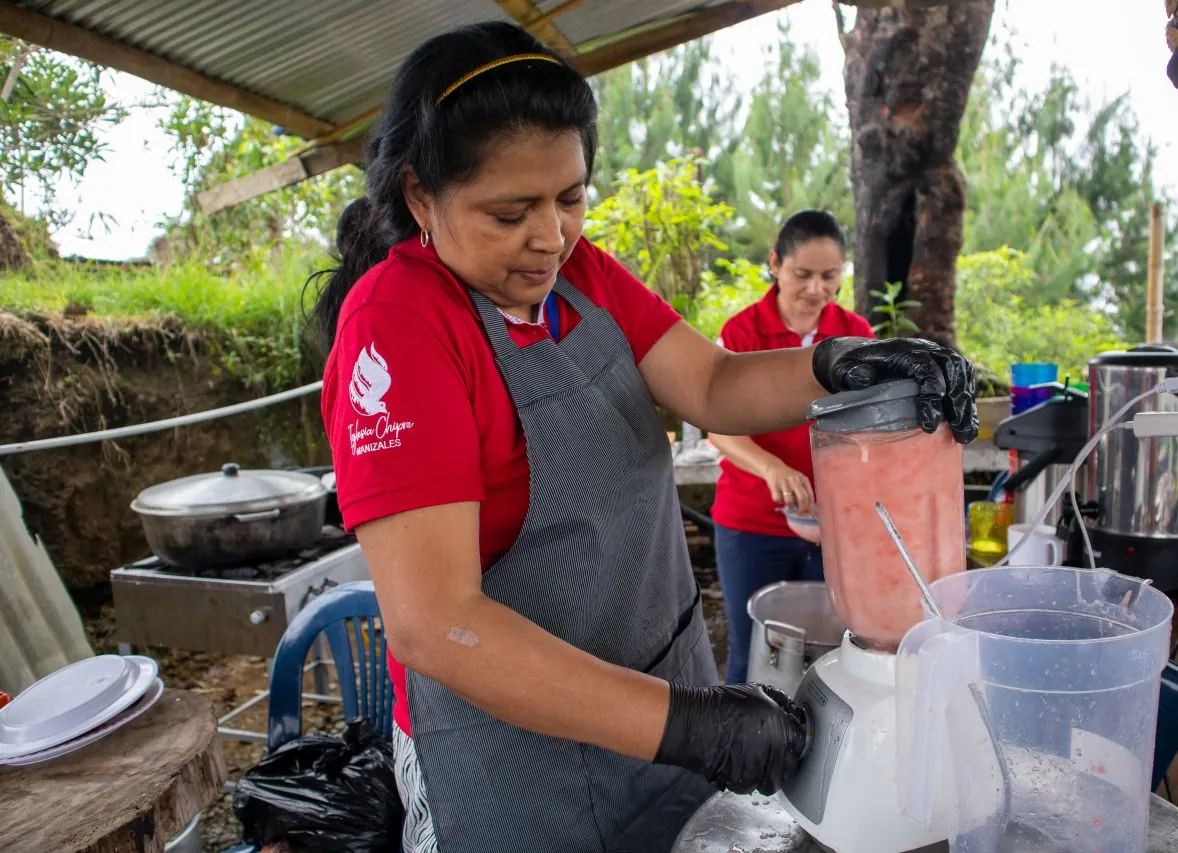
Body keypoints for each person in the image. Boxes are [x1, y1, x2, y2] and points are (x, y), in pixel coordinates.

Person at [313, 21, 979, 853]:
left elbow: (711, 383)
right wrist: (689, 725)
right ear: (420, 197)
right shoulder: (399, 324)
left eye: (570, 197)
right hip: (514, 766)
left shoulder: (580, 275)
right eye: (510, 212)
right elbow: (435, 620)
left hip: (660, 712)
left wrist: (840, 361)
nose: (551, 236)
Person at [707, 211, 875, 684]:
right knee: (752, 652)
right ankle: (745, 756)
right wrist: (771, 467)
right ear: (775, 264)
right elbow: (717, 425)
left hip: (834, 526)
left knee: (837, 656)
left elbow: (871, 430)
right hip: (751, 521)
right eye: (802, 275)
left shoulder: (856, 335)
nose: (816, 289)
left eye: (829, 276)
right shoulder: (742, 333)